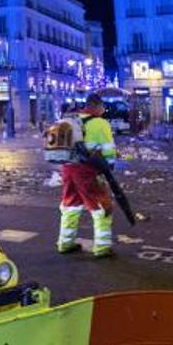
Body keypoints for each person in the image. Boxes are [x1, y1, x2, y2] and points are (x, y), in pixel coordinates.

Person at [56, 92, 119, 258]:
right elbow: (108, 150)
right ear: (96, 106)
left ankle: (65, 243)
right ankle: (102, 247)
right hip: (86, 171)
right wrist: (110, 165)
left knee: (70, 206)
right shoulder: (100, 123)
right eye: (102, 107)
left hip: (68, 169)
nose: (103, 110)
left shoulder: (71, 120)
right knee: (101, 207)